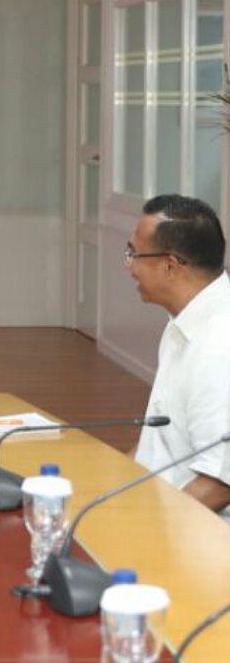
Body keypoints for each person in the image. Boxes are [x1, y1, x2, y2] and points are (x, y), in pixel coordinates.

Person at [126, 194, 230, 519]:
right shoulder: (183, 323)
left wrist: (149, 531)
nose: (127, 265)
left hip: (200, 539)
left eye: (134, 253)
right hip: (157, 508)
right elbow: (156, 446)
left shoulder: (218, 346)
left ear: (170, 265)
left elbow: (219, 484)